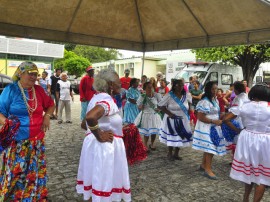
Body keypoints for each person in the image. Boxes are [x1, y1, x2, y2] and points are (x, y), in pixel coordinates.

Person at [0, 61, 55, 201]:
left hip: (36, 142)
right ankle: (13, 197)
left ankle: (33, 196)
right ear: (20, 74)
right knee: (15, 173)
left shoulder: (39, 90)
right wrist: (8, 124)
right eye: (30, 73)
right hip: (16, 141)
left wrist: (47, 116)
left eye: (35, 74)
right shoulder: (10, 90)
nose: (33, 77)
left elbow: (50, 104)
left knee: (34, 172)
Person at [76, 69, 131, 202]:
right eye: (119, 82)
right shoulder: (107, 100)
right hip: (104, 148)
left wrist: (115, 127)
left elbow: (84, 125)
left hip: (96, 147)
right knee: (103, 181)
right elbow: (90, 117)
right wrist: (100, 134)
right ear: (111, 84)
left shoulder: (96, 97)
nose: (121, 85)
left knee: (97, 181)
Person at [222, 83, 270, 202]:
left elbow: (226, 119)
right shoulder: (269, 107)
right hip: (265, 140)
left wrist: (238, 130)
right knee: (262, 176)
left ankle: (245, 198)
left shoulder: (245, 106)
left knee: (250, 172)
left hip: (247, 138)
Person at [192, 81, 225, 180]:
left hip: (214, 126)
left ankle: (203, 165)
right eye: (213, 89)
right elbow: (200, 117)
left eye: (216, 89)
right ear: (208, 89)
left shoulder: (215, 100)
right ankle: (208, 169)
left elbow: (217, 113)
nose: (215, 91)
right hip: (206, 127)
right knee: (210, 148)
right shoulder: (205, 101)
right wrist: (213, 121)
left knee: (209, 147)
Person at [158, 79, 193, 161]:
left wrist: (189, 113)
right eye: (178, 85)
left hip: (183, 118)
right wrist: (169, 114)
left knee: (180, 136)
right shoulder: (169, 95)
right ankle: (170, 153)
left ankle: (176, 153)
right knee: (172, 135)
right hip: (171, 118)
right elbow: (161, 106)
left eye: (182, 85)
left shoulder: (187, 95)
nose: (180, 87)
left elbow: (190, 104)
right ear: (174, 86)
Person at [134, 82, 162, 151]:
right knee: (146, 132)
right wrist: (141, 106)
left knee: (153, 131)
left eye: (151, 87)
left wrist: (159, 109)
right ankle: (145, 145)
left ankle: (152, 143)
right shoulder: (142, 96)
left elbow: (161, 104)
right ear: (145, 88)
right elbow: (138, 106)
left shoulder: (157, 95)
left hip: (154, 115)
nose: (150, 89)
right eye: (148, 87)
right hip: (145, 115)